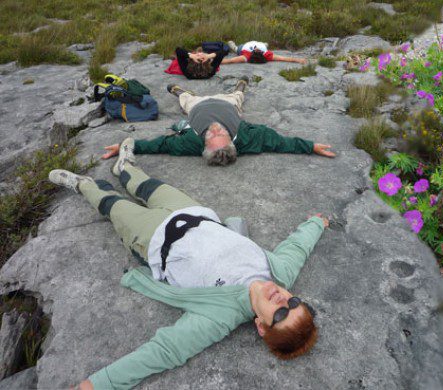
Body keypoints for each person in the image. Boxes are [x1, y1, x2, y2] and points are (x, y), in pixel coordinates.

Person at [50, 139, 328, 389]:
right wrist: (317, 222)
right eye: (294, 304)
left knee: (110, 204)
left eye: (280, 315)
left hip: (153, 237)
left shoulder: (219, 317)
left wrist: (97, 385)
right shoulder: (281, 273)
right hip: (192, 211)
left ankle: (83, 184)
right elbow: (298, 247)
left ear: (261, 326)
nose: (283, 300)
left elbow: (166, 351)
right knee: (145, 185)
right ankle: (125, 166)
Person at [101, 77, 336, 165]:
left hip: (198, 106)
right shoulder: (247, 139)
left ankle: (178, 90)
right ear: (231, 142)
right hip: (227, 103)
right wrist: (311, 146)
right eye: (219, 135)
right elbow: (280, 142)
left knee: (186, 100)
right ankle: (240, 87)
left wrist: (126, 144)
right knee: (237, 98)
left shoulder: (191, 144)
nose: (213, 131)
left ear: (203, 145)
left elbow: (159, 145)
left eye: (210, 138)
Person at [220, 40, 308, 65]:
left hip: (243, 47)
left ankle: (233, 45)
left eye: (257, 51)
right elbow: (284, 58)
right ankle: (265, 43)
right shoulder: (267, 55)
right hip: (260, 43)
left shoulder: (246, 55)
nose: (257, 50)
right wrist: (298, 60)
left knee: (237, 49)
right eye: (258, 50)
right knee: (265, 44)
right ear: (262, 53)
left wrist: (214, 61)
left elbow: (230, 60)